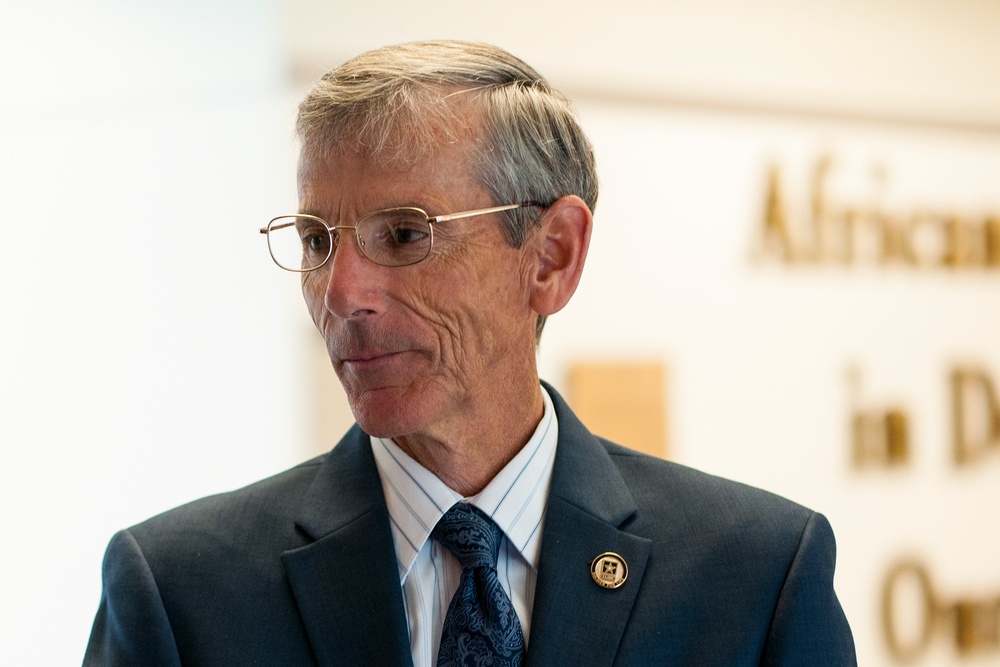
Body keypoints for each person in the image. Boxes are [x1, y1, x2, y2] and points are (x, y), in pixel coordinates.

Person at [85, 40, 856, 666]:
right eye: (318, 240)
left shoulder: (755, 578)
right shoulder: (179, 596)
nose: (341, 290)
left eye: (405, 233)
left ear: (551, 255)